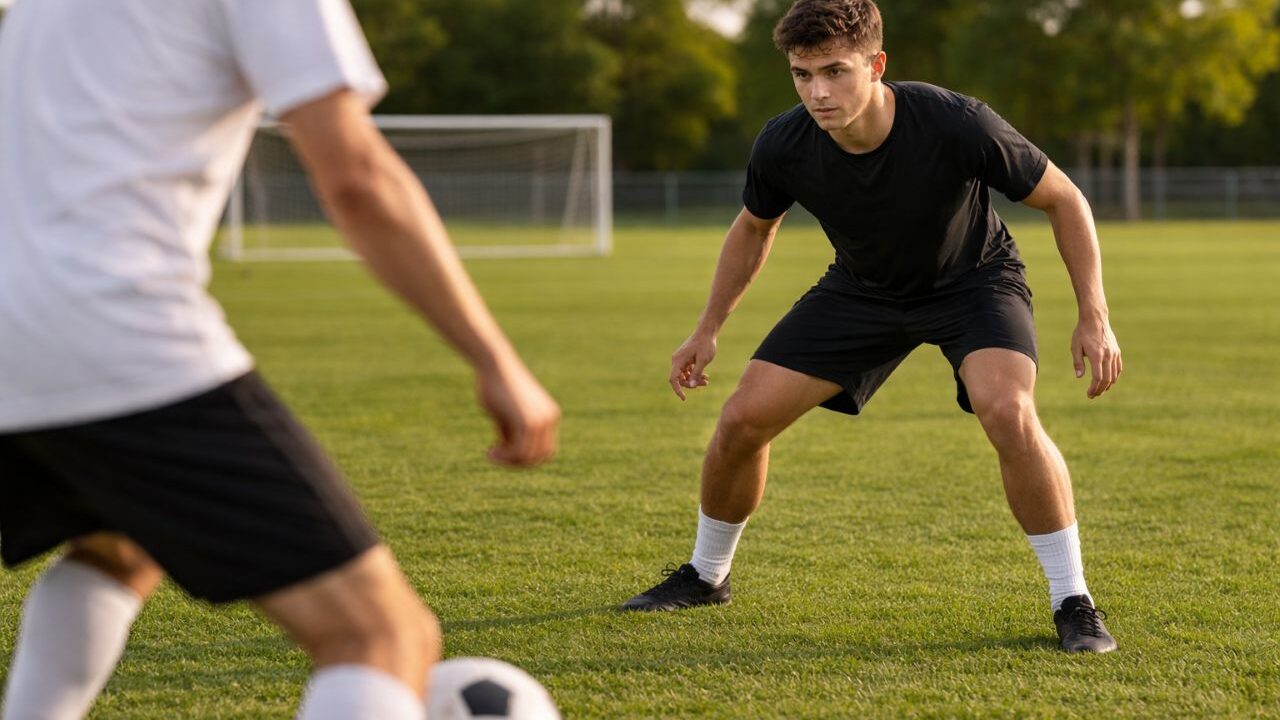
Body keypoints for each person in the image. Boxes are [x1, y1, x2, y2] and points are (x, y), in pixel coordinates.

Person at [0, 1, 560, 718]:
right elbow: (358, 178)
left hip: (20, 322)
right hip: (106, 324)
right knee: (379, 634)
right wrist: (495, 359)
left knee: (118, 547)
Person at [620, 0, 1121, 654]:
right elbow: (753, 229)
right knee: (742, 419)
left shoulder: (956, 122)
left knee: (1007, 411)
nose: (818, 93)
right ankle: (706, 575)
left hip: (973, 281)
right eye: (802, 75)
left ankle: (1072, 599)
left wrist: (1094, 316)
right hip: (862, 290)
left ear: (876, 65)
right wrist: (706, 328)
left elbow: (1064, 199)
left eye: (835, 71)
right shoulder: (784, 143)